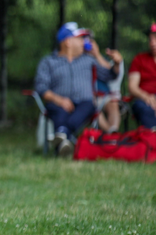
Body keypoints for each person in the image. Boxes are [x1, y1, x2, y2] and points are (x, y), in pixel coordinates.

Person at [34, 21, 122, 157]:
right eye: (80, 38)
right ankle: (65, 139)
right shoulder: (48, 62)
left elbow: (110, 75)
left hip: (84, 104)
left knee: (88, 106)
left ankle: (62, 134)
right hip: (57, 103)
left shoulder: (88, 60)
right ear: (68, 42)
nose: (84, 42)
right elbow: (41, 87)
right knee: (58, 109)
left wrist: (115, 63)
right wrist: (59, 100)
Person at [87, 30, 125, 133]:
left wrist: (97, 55)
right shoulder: (79, 60)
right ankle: (110, 134)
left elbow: (110, 74)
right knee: (93, 107)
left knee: (113, 103)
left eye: (91, 41)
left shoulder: (100, 59)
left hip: (104, 95)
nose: (89, 44)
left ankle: (113, 130)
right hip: (88, 96)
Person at [127, 23, 156, 130]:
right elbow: (132, 87)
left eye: (155, 38)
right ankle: (151, 136)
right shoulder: (139, 59)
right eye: (150, 39)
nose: (152, 43)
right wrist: (147, 97)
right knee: (144, 108)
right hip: (144, 99)